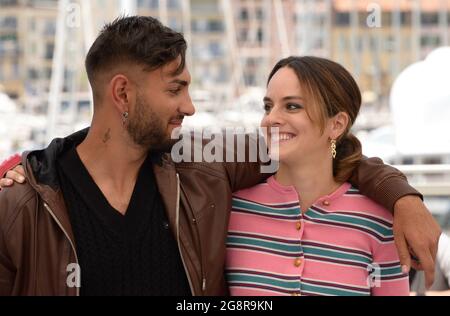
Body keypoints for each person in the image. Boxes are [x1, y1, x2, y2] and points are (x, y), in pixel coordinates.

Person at [0, 16, 441, 296]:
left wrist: (404, 198)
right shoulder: (21, 204)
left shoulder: (201, 164)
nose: (190, 107)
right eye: (176, 89)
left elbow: (315, 153)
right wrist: (29, 167)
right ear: (122, 93)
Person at [225, 56, 410, 296]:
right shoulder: (232, 211)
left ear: (337, 125)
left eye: (292, 106)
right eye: (268, 106)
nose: (271, 119)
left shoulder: (380, 222)